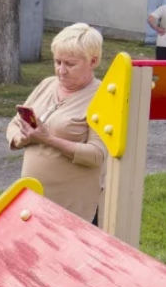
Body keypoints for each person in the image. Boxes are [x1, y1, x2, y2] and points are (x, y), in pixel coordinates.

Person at [6, 23, 107, 224]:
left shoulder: (103, 96)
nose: (61, 71)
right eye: (57, 62)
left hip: (73, 209)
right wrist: (20, 139)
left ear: (93, 61)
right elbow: (15, 124)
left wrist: (48, 139)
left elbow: (97, 155)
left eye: (70, 64)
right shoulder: (47, 84)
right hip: (33, 202)